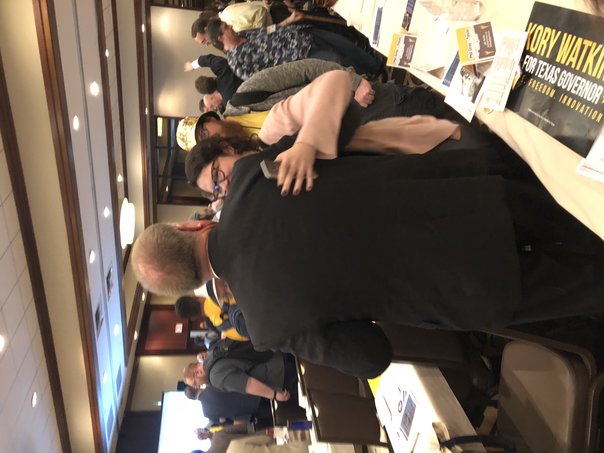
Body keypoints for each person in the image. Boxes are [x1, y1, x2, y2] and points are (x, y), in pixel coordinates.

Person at [132, 116, 604, 379]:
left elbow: (371, 356)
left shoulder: (269, 325)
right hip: (460, 195)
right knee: (587, 203)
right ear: (190, 227)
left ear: (193, 285)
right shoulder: (249, 177)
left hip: (467, 285)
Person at [176, 66, 448, 152]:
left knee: (428, 106)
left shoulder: (245, 96)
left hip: (356, 103)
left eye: (204, 132)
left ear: (209, 118)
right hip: (357, 143)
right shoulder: (249, 157)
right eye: (204, 142)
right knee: (435, 143)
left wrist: (353, 81)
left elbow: (305, 69)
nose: (210, 137)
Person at [206, 18, 383, 80]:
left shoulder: (242, 33)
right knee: (341, 62)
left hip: (303, 33)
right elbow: (267, 77)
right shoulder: (237, 64)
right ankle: (372, 80)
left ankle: (375, 65)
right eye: (225, 27)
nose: (230, 26)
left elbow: (267, 30)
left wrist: (288, 21)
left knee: (344, 45)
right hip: (303, 56)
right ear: (220, 38)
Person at [184, 384, 272, 428]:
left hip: (249, 414)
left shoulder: (207, 413)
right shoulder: (211, 385)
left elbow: (226, 422)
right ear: (196, 387)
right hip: (252, 393)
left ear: (193, 399)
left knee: (276, 413)